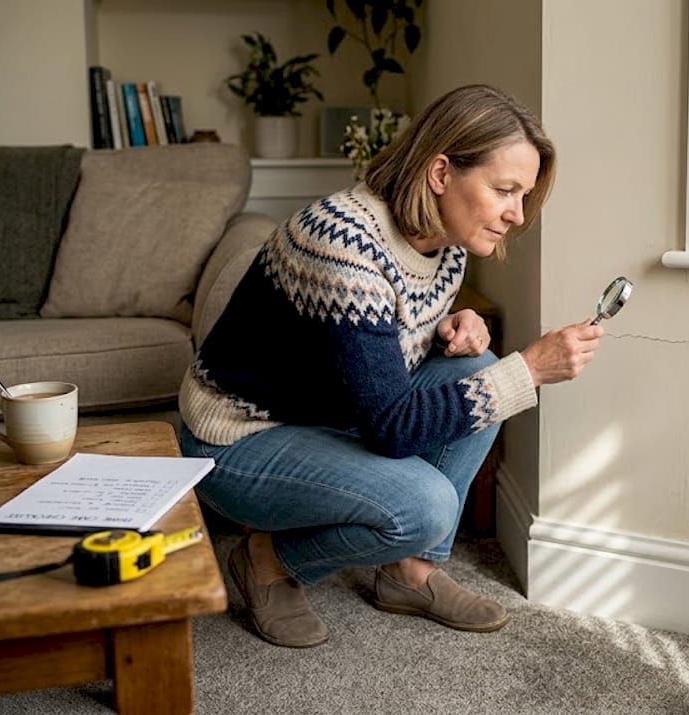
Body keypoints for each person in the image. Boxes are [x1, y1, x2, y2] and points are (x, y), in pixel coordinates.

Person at [177, 84, 602, 648]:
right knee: (427, 503)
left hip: (324, 413)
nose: (516, 215)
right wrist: (529, 370)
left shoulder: (446, 241)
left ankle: (409, 572)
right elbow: (392, 424)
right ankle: (266, 560)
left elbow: (371, 352)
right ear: (441, 173)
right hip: (238, 438)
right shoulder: (343, 242)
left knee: (478, 367)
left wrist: (455, 328)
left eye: (522, 195)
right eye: (504, 190)